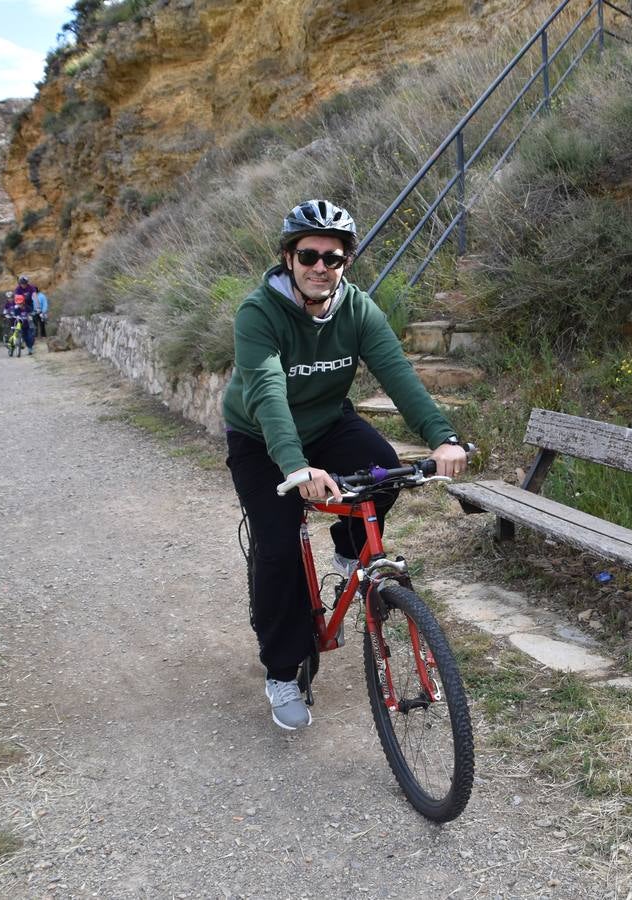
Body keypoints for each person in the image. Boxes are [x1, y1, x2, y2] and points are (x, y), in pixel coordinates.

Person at [222, 199, 467, 731]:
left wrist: (443, 438)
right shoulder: (258, 313)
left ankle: (345, 551)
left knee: (382, 468)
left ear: (345, 263)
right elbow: (267, 393)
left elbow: (397, 373)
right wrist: (295, 467)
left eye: (332, 258)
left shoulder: (357, 309)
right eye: (307, 254)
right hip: (262, 438)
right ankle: (282, 671)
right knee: (279, 549)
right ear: (288, 257)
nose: (319, 266)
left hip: (328, 422)